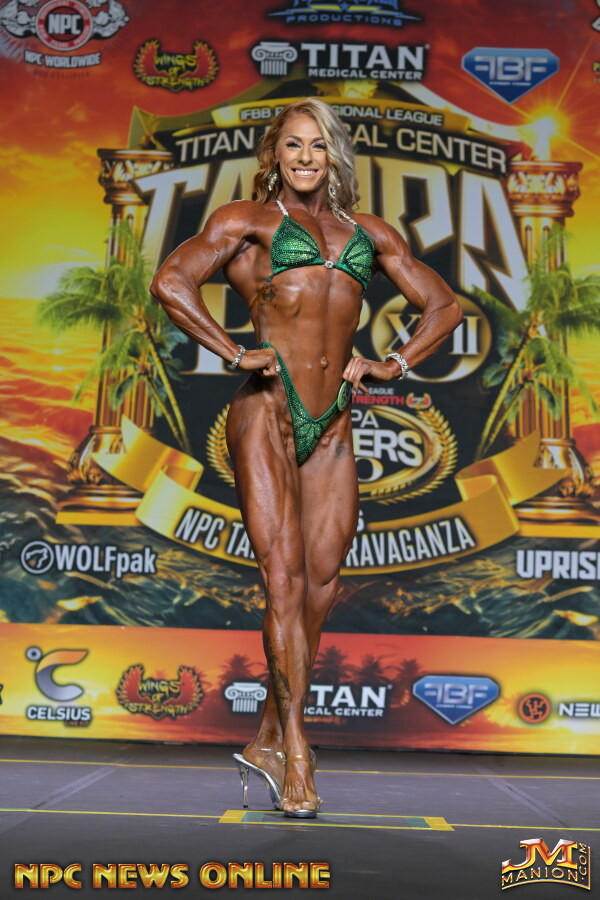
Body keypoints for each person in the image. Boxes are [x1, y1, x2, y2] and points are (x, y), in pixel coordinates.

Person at [150, 98, 462, 818]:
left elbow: (444, 306)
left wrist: (392, 363)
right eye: (292, 145)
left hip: (333, 420)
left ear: (333, 156)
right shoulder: (248, 221)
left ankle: (265, 734)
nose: (304, 157)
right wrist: (232, 350)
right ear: (275, 155)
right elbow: (171, 281)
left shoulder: (368, 233)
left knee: (321, 585)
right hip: (266, 410)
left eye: (317, 146)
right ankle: (296, 751)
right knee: (284, 582)